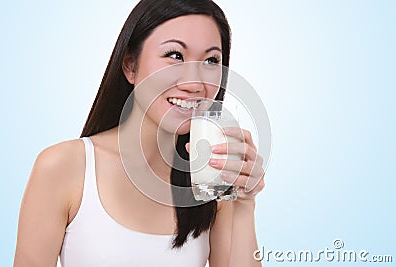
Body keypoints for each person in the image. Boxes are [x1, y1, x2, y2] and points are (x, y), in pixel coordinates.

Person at [14, 0, 265, 266]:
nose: (194, 83)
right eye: (175, 55)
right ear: (130, 66)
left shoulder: (210, 182)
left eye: (211, 60)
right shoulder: (64, 167)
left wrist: (244, 204)